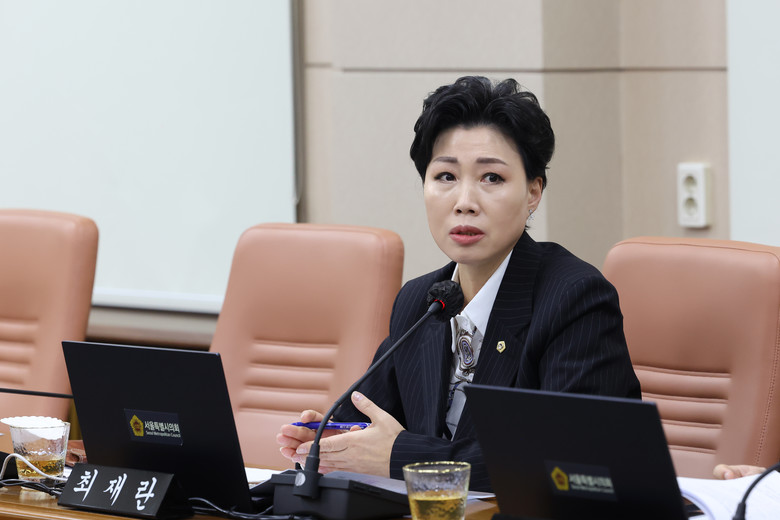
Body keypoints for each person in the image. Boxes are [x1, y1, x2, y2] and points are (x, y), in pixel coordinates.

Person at [276, 75, 641, 491]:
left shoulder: (573, 298)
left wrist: (400, 457)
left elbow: (569, 462)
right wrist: (333, 438)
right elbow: (371, 419)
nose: (464, 202)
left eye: (492, 178)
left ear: (533, 192)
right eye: (446, 176)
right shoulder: (421, 301)